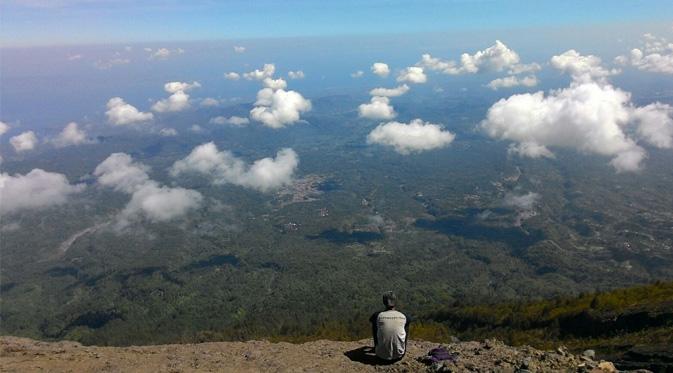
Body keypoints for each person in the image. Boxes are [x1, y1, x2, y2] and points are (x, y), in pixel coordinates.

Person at [369, 291, 410, 362]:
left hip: (380, 356)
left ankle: (376, 346)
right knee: (406, 324)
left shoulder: (377, 315)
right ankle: (403, 348)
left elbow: (370, 320)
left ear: (384, 302)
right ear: (395, 302)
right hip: (399, 356)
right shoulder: (404, 316)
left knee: (375, 323)